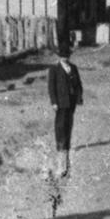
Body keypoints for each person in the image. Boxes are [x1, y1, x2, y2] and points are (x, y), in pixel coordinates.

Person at [47, 42, 82, 177]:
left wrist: (79, 98)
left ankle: (66, 154)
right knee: (60, 128)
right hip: (60, 103)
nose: (65, 58)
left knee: (68, 127)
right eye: (62, 56)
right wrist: (54, 102)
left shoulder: (73, 68)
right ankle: (60, 157)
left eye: (67, 55)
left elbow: (78, 84)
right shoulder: (54, 69)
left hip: (71, 103)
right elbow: (51, 87)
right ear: (59, 57)